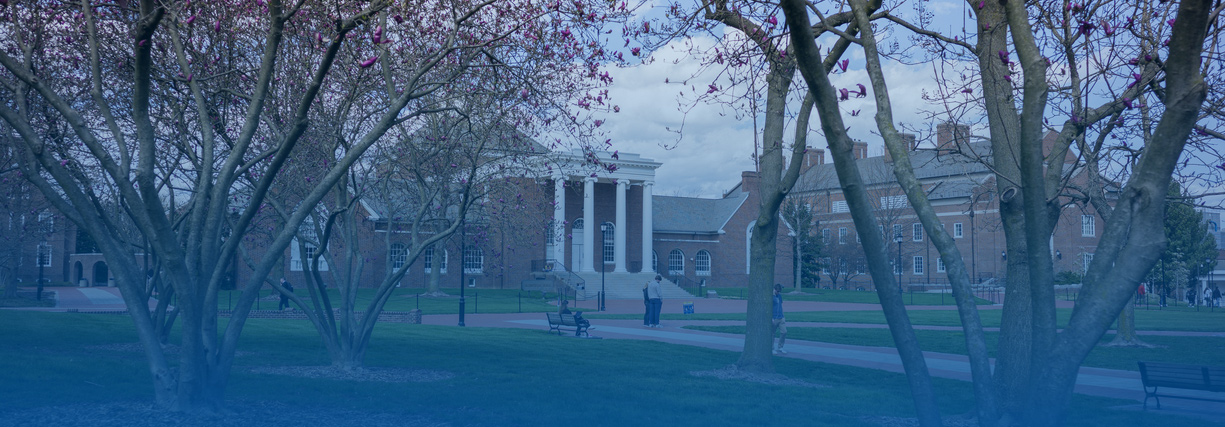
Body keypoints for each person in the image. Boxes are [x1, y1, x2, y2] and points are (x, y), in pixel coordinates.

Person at [772, 284, 788, 354]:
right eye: (777, 291)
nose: (778, 292)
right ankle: (771, 348)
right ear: (774, 289)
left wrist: (783, 316)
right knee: (772, 334)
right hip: (774, 318)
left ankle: (780, 347)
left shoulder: (779, 296)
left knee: (784, 332)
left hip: (781, 317)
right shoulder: (771, 297)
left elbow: (780, 305)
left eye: (779, 291)